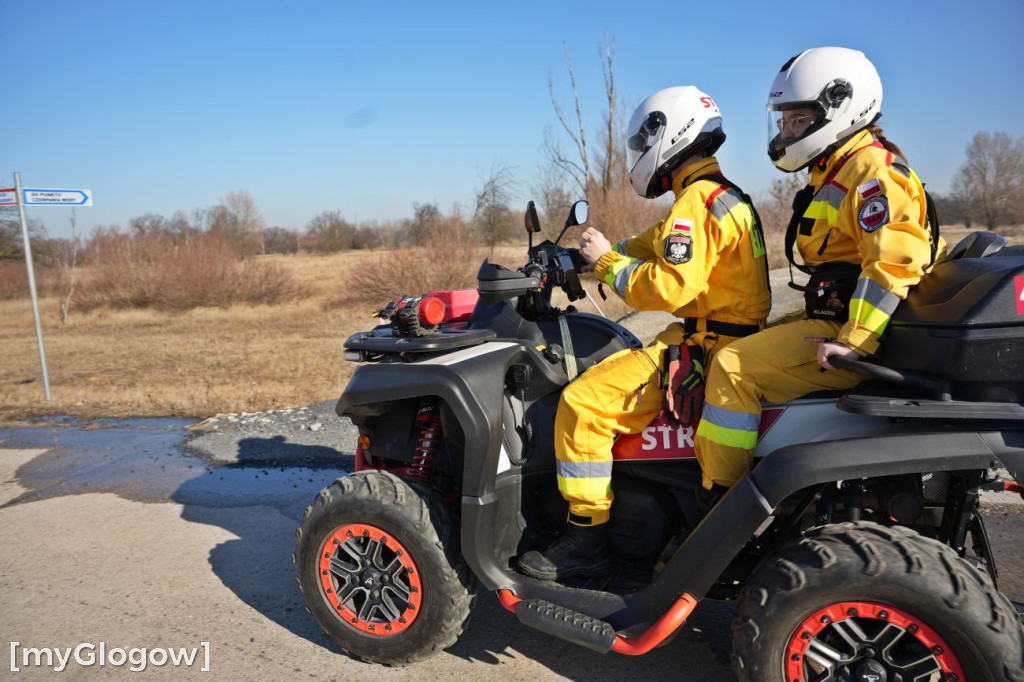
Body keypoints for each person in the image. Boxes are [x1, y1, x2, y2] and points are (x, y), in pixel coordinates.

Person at [517, 86, 772, 581]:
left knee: (583, 403)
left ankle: (585, 539)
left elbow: (669, 286)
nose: (640, 155)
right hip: (723, 337)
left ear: (669, 135)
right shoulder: (720, 196)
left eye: (641, 144)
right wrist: (596, 254)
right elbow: (653, 242)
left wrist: (607, 264)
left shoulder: (695, 202)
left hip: (708, 345)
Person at [693, 47, 941, 505]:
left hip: (857, 333)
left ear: (841, 107)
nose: (787, 132)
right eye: (784, 121)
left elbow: (894, 261)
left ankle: (721, 508)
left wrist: (854, 342)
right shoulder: (836, 169)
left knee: (732, 367)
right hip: (836, 318)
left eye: (799, 120)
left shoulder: (871, 173)